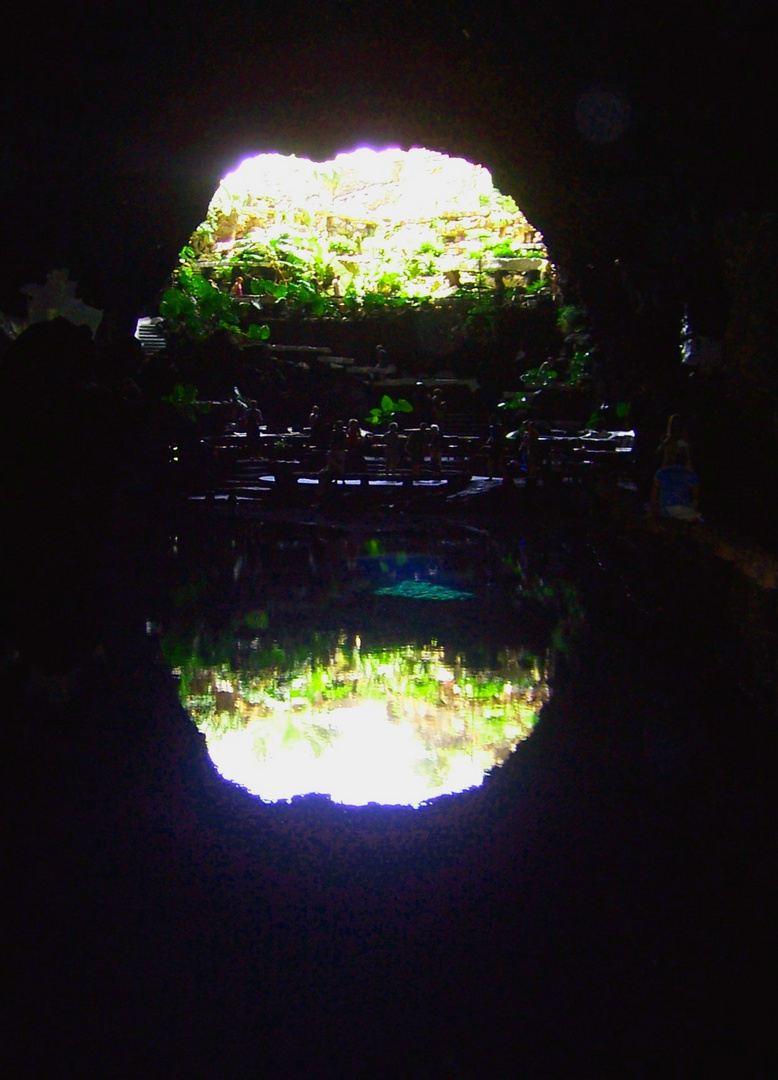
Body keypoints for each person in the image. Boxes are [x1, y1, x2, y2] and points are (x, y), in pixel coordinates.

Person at [651, 448, 703, 521]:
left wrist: (655, 511)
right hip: (685, 509)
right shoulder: (691, 475)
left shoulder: (661, 472)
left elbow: (654, 493)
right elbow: (696, 496)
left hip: (665, 508)